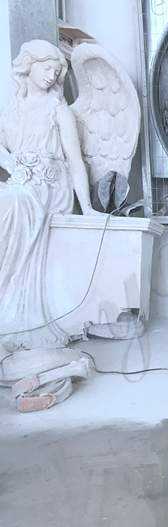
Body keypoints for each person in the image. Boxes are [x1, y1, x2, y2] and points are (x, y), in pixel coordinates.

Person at [0, 40, 100, 351]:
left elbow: (74, 160)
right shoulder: (10, 108)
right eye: (47, 68)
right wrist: (10, 161)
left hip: (49, 186)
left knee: (15, 200)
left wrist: (87, 208)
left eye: (56, 72)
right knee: (11, 198)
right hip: (21, 180)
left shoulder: (59, 110)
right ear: (29, 66)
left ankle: (13, 307)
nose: (51, 76)